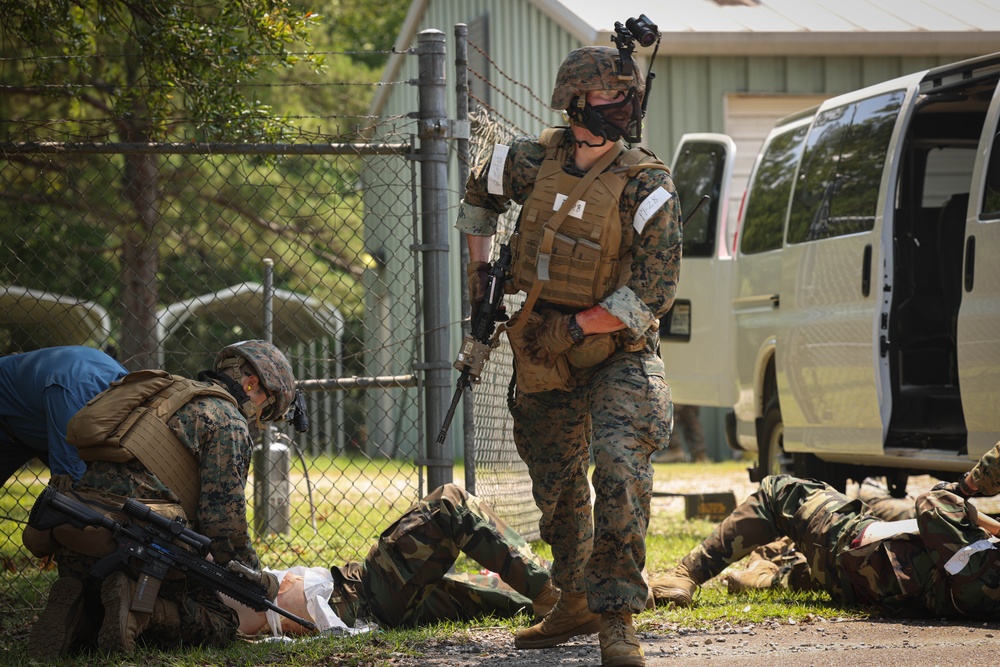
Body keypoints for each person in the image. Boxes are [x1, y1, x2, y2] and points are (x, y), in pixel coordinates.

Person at [456, 41, 680, 667]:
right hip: (540, 347)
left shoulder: (648, 185)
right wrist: (481, 280)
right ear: (578, 102)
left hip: (617, 350)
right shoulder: (535, 158)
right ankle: (575, 597)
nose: (624, 106)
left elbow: (654, 295)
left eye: (628, 95)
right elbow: (479, 192)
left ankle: (617, 618)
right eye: (612, 96)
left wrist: (578, 327)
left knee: (616, 466)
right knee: (556, 487)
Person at [22, 340, 297, 658]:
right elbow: (225, 529)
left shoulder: (163, 396)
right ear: (252, 386)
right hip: (138, 547)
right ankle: (143, 612)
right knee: (221, 621)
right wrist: (253, 579)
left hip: (80, 531)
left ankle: (83, 608)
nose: (258, 421)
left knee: (109, 594)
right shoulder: (229, 422)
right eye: (265, 411)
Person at [652, 445, 1000, 618]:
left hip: (862, 557)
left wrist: (968, 490)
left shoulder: (984, 572)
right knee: (815, 567)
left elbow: (934, 503)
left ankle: (685, 575)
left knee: (780, 493)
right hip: (878, 585)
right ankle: (763, 574)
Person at [226, 482, 558, 637]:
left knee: (486, 596)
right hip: (362, 598)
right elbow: (255, 617)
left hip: (363, 597)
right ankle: (549, 591)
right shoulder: (212, 603)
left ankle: (571, 597)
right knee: (448, 502)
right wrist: (271, 588)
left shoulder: (201, 580)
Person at [0, 346, 127, 487]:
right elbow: (68, 479)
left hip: (37, 418)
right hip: (7, 417)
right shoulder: (71, 397)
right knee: (70, 485)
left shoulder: (130, 384)